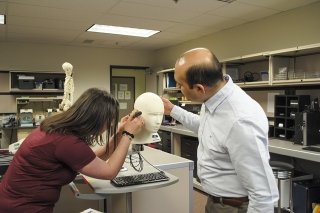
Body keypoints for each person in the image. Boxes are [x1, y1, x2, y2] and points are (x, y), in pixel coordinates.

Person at [161, 48, 279, 213]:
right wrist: (172, 109)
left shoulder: (240, 121)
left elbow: (263, 194)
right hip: (216, 201)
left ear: (199, 89)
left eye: (180, 85)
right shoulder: (213, 98)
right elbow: (205, 127)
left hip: (235, 208)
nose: (178, 88)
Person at [0, 88, 144, 213]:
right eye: (110, 120)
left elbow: (91, 159)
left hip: (15, 202)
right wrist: (128, 135)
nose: (110, 124)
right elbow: (109, 172)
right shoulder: (65, 141)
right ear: (97, 119)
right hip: (22, 208)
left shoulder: (59, 129)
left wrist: (119, 132)